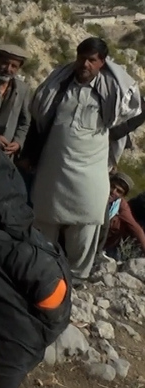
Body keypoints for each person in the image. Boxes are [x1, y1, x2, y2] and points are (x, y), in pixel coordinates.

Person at [28, 38, 141, 281]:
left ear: (102, 62)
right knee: (44, 219)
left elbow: (123, 124)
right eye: (82, 57)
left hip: (89, 173)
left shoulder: (110, 94)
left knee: (86, 223)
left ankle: (76, 278)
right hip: (53, 171)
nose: (85, 64)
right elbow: (40, 121)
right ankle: (41, 274)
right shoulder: (59, 86)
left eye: (92, 60)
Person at [102, 172, 145, 258]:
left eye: (119, 191)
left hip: (106, 243)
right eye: (112, 186)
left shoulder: (120, 205)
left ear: (122, 196)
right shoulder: (95, 194)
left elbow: (135, 227)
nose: (113, 192)